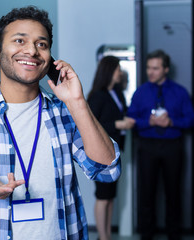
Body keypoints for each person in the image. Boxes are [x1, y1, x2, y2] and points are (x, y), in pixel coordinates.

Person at [0, 6, 121, 240]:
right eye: (19, 41)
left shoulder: (66, 114)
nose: (32, 51)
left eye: (42, 44)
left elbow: (108, 171)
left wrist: (76, 101)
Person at [127, 49, 194, 240]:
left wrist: (171, 122)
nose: (151, 72)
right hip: (147, 146)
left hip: (172, 147)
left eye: (155, 68)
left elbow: (191, 120)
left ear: (165, 69)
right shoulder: (140, 92)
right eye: (149, 68)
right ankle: (146, 235)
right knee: (146, 193)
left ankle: (174, 235)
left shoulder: (180, 92)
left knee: (173, 193)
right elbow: (131, 119)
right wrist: (147, 122)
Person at [87, 56, 135, 240]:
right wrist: (118, 124)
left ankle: (105, 235)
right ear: (108, 71)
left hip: (113, 151)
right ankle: (103, 236)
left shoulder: (116, 92)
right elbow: (91, 124)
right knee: (103, 196)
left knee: (110, 196)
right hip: (100, 152)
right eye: (117, 69)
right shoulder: (97, 95)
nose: (120, 72)